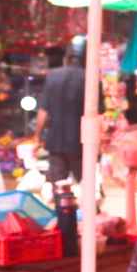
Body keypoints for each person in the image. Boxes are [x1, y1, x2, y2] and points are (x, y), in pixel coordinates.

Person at [34, 35, 91, 182]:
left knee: (58, 187)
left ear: (67, 56)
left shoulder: (53, 76)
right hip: (82, 144)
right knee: (85, 187)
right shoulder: (91, 78)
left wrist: (37, 138)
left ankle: (60, 205)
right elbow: (99, 117)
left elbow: (43, 112)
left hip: (56, 141)